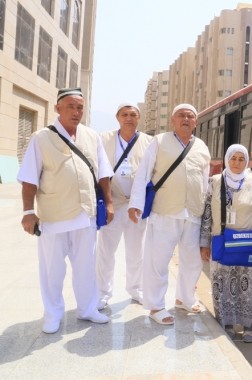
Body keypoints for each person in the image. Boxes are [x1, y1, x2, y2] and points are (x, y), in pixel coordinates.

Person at [18, 87, 114, 334]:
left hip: (86, 214)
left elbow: (103, 173)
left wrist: (109, 202)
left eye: (80, 107)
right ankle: (52, 314)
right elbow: (29, 178)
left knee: (85, 265)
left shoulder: (92, 136)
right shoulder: (41, 137)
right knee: (52, 268)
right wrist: (28, 212)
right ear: (58, 108)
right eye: (70, 106)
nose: (76, 111)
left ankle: (87, 309)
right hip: (53, 215)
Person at [128, 104, 211, 325]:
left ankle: (185, 297)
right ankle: (156, 306)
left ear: (196, 122)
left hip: (193, 212)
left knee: (192, 261)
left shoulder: (202, 147)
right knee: (159, 260)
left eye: (190, 116)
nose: (186, 119)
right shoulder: (159, 141)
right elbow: (144, 172)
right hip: (165, 211)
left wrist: (206, 210)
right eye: (181, 115)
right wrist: (135, 202)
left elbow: (204, 181)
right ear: (173, 120)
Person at [200, 144, 252, 343]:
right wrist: (204, 243)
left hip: (247, 242)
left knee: (247, 285)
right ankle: (227, 324)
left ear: (246, 161)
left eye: (241, 159)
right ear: (226, 159)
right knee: (223, 284)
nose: (237, 163)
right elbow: (206, 215)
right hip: (221, 240)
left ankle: (248, 326)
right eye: (233, 158)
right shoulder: (214, 182)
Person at [96, 103, 152, 310]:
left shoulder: (148, 141)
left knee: (136, 251)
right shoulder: (104, 139)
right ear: (117, 117)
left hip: (136, 206)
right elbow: (99, 168)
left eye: (133, 115)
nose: (129, 118)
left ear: (139, 118)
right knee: (106, 252)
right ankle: (102, 293)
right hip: (113, 204)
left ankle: (136, 290)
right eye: (124, 114)